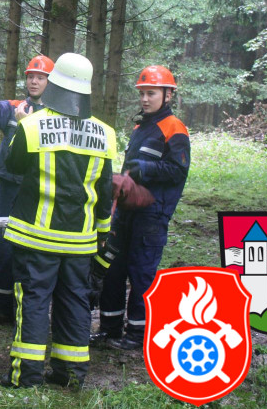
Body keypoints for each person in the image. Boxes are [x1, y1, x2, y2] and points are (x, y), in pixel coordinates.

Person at [1, 52, 115, 389]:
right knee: (75, 303)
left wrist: (18, 124)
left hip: (36, 238)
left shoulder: (32, 126)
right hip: (80, 242)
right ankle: (71, 375)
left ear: (55, 84)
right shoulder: (105, 134)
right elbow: (105, 192)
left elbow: (13, 166)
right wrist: (103, 236)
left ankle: (27, 375)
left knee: (34, 300)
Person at [94, 65, 190, 351]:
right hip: (126, 212)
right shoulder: (140, 127)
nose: (145, 99)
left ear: (168, 95)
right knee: (113, 268)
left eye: (152, 93)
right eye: (143, 93)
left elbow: (177, 170)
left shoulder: (175, 128)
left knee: (141, 273)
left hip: (152, 215)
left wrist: (144, 169)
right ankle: (109, 329)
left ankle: (138, 334)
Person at [0, 54, 54, 327]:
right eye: (31, 77)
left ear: (50, 82)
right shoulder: (15, 106)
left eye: (40, 77)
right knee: (5, 245)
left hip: (38, 187)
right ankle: (3, 308)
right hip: (9, 186)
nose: (34, 81)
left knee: (33, 247)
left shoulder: (55, 115)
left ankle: (28, 309)